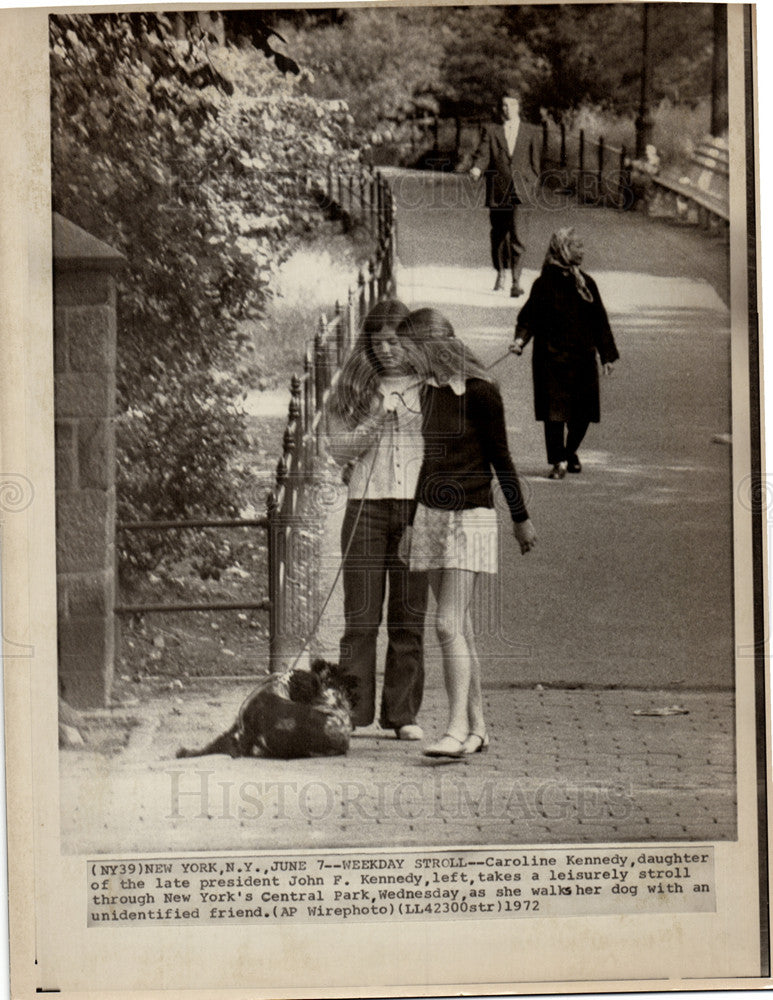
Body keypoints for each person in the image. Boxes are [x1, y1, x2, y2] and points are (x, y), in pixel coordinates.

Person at [398, 309, 537, 758]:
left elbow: (502, 459)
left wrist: (520, 518)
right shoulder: (430, 392)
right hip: (431, 517)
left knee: (446, 624)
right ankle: (478, 727)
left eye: (409, 351)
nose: (405, 360)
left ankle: (455, 729)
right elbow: (429, 462)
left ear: (430, 347)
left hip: (471, 517)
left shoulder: (482, 393)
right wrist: (409, 525)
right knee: (462, 629)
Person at [325, 300, 429, 740]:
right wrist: (372, 424)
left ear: (409, 341)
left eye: (394, 340)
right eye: (377, 340)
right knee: (361, 618)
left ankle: (402, 715)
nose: (386, 349)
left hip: (415, 511)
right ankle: (352, 711)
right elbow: (337, 450)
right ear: (366, 343)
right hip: (365, 510)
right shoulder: (352, 388)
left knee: (408, 619)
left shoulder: (430, 386)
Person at [511, 228, 619, 479]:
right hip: (551, 358)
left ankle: (570, 451)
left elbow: (599, 320)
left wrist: (607, 355)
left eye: (582, 246)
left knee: (582, 416)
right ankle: (558, 461)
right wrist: (519, 341)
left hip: (582, 359)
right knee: (555, 414)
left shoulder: (586, 284)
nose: (582, 251)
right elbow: (529, 318)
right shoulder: (544, 284)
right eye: (576, 246)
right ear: (562, 248)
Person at [469, 91, 540, 297]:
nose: (505, 109)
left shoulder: (531, 132)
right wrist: (477, 169)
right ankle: (501, 272)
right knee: (499, 234)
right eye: (503, 106)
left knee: (519, 236)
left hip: (521, 191)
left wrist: (531, 182)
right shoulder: (492, 131)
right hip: (498, 189)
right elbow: (483, 154)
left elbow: (535, 164)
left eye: (509, 105)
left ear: (518, 107)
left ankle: (516, 281)